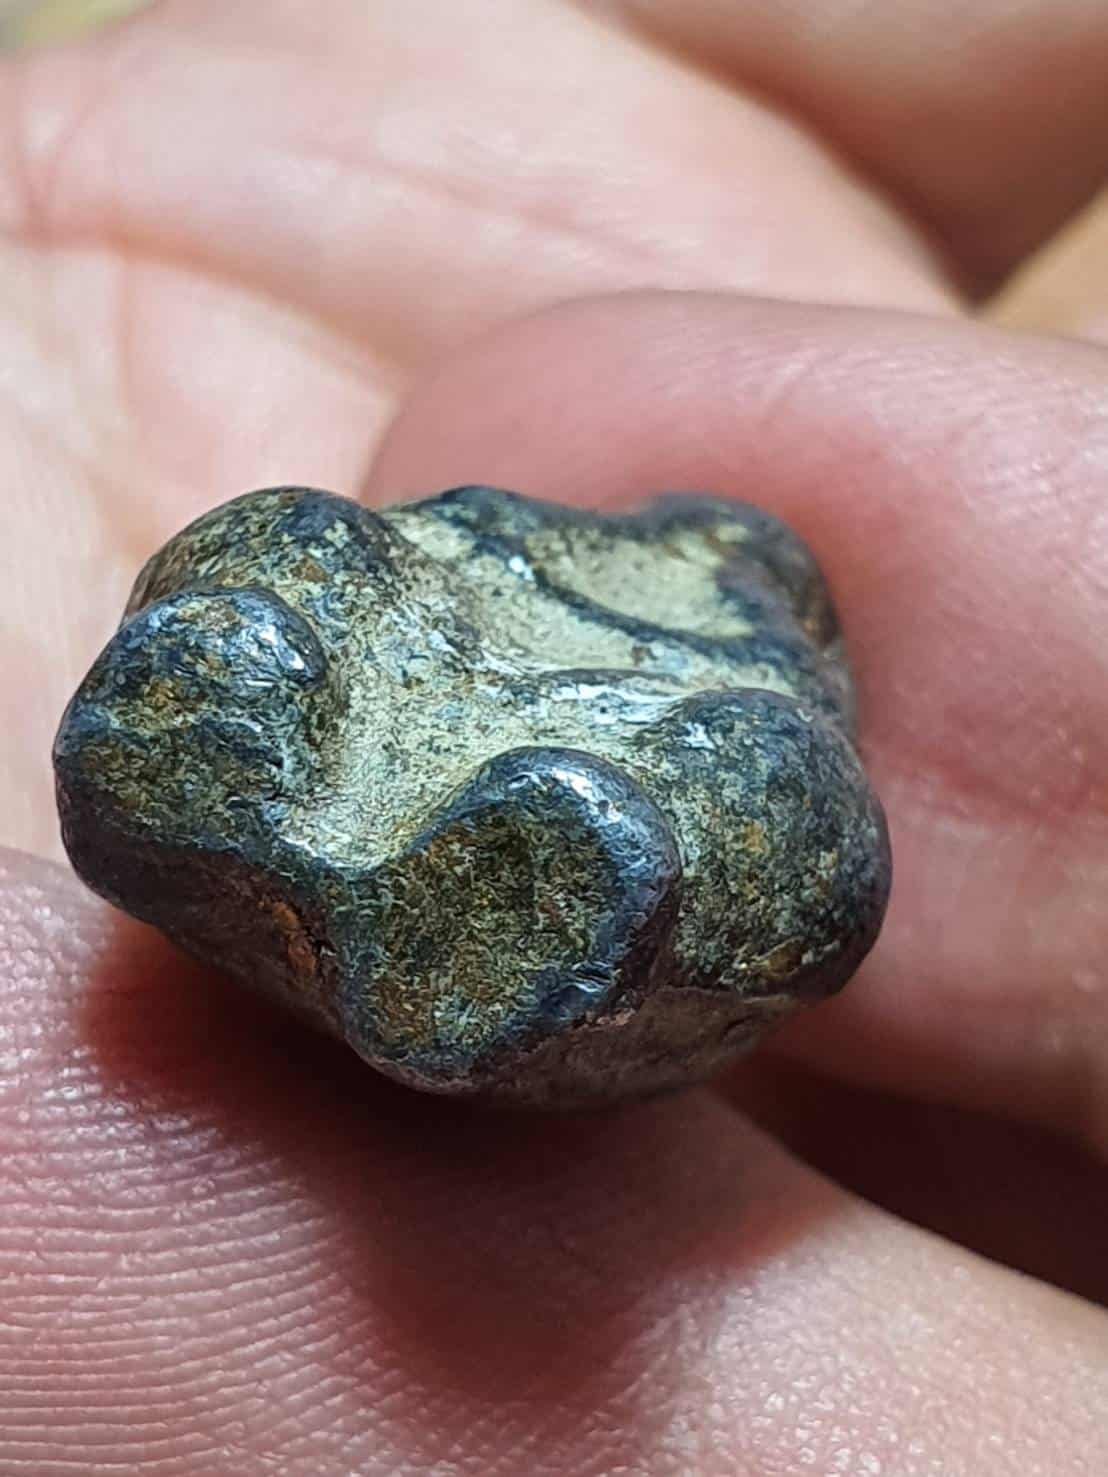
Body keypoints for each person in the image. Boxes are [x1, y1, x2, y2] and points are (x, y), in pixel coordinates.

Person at [1, 2, 1107, 1471]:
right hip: (486, 751)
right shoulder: (624, 616)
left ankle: (475, 843)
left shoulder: (734, 710)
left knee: (675, 786)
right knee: (298, 588)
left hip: (584, 804)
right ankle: (378, 803)